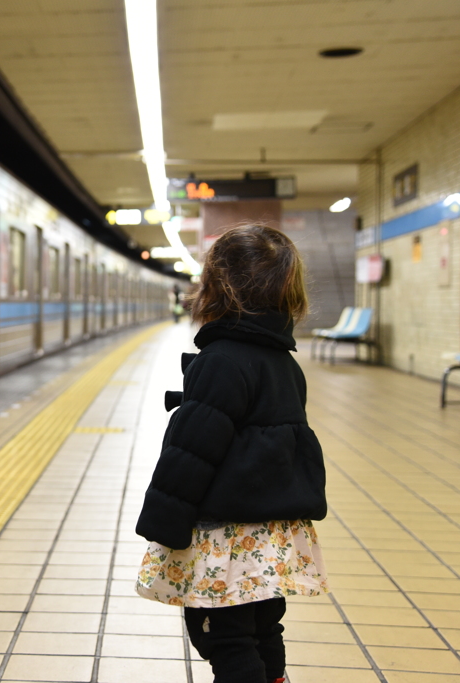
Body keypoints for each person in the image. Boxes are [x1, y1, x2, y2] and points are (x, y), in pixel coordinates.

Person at [135, 224, 328, 683]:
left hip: (228, 539)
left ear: (215, 287)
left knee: (224, 638)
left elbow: (192, 451)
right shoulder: (284, 363)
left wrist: (164, 522)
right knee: (263, 627)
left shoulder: (221, 360)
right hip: (272, 540)